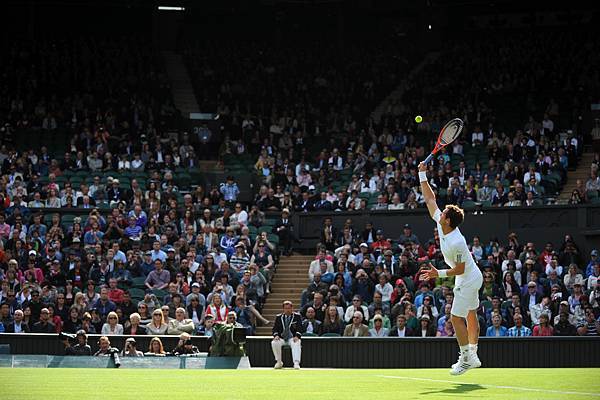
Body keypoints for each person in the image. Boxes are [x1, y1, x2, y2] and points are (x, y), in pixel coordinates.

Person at [418, 161, 483, 375]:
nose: (441, 211)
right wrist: (422, 174)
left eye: (444, 211)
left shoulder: (457, 241)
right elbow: (429, 198)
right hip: (471, 276)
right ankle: (473, 353)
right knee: (471, 314)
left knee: (456, 318)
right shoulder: (441, 222)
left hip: (468, 277)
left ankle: (465, 358)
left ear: (448, 220)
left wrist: (439, 274)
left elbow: (461, 268)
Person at [271, 300, 303, 369]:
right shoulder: (278, 317)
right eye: (286, 308)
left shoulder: (297, 316)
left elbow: (300, 328)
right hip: (281, 338)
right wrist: (276, 335)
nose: (287, 310)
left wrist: (297, 336)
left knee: (297, 342)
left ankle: (296, 363)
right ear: (283, 309)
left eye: (289, 308)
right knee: (274, 342)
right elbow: (274, 329)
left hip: (292, 338)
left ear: (292, 308)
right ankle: (279, 362)